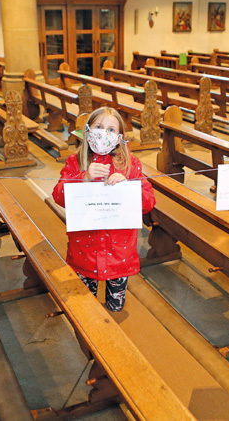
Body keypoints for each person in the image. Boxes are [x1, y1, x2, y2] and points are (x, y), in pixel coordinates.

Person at [52, 107, 155, 311]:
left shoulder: (130, 164)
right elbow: (58, 195)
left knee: (116, 307)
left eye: (110, 129)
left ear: (119, 138)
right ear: (88, 132)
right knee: (86, 309)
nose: (103, 134)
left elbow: (148, 202)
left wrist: (127, 186)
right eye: (99, 127)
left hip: (119, 251)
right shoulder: (76, 162)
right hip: (84, 249)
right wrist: (83, 178)